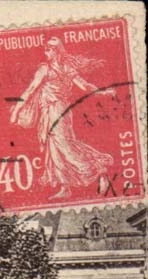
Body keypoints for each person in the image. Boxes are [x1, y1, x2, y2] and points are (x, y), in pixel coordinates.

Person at [10, 37, 115, 200]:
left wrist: (103, 92)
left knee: (64, 144)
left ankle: (99, 169)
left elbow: (84, 85)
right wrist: (16, 110)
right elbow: (30, 89)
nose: (46, 52)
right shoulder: (50, 69)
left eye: (49, 49)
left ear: (57, 51)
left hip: (57, 110)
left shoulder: (59, 68)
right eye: (45, 49)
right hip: (55, 111)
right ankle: (64, 186)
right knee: (54, 147)